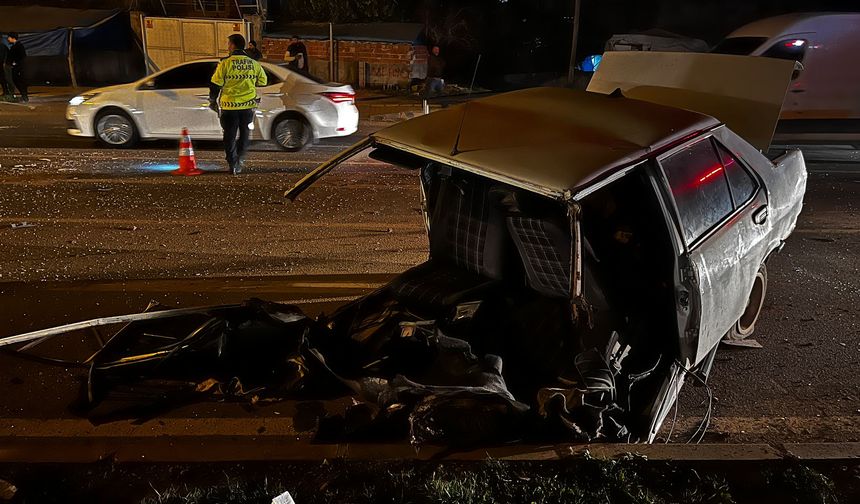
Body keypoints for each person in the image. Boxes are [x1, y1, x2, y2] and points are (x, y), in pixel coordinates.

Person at [209, 34, 267, 175]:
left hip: (229, 107)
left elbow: (215, 85)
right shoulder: (254, 64)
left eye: (228, 44)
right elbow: (263, 81)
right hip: (247, 108)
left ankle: (232, 163)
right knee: (245, 134)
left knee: (229, 136)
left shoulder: (225, 63)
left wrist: (212, 100)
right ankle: (240, 159)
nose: (228, 46)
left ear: (233, 45)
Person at [5, 32, 25, 102]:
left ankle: (14, 95)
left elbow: (22, 57)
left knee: (12, 80)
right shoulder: (14, 46)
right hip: (11, 66)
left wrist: (15, 63)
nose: (8, 39)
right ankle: (12, 94)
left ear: (13, 38)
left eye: (9, 37)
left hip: (14, 67)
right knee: (9, 80)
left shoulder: (19, 46)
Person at [0, 35, 12, 100]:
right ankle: (6, 91)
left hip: (1, 65)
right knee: (2, 79)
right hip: (1, 65)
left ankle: (7, 91)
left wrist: (4, 62)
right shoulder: (3, 46)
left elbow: (7, 55)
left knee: (3, 79)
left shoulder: (2, 46)